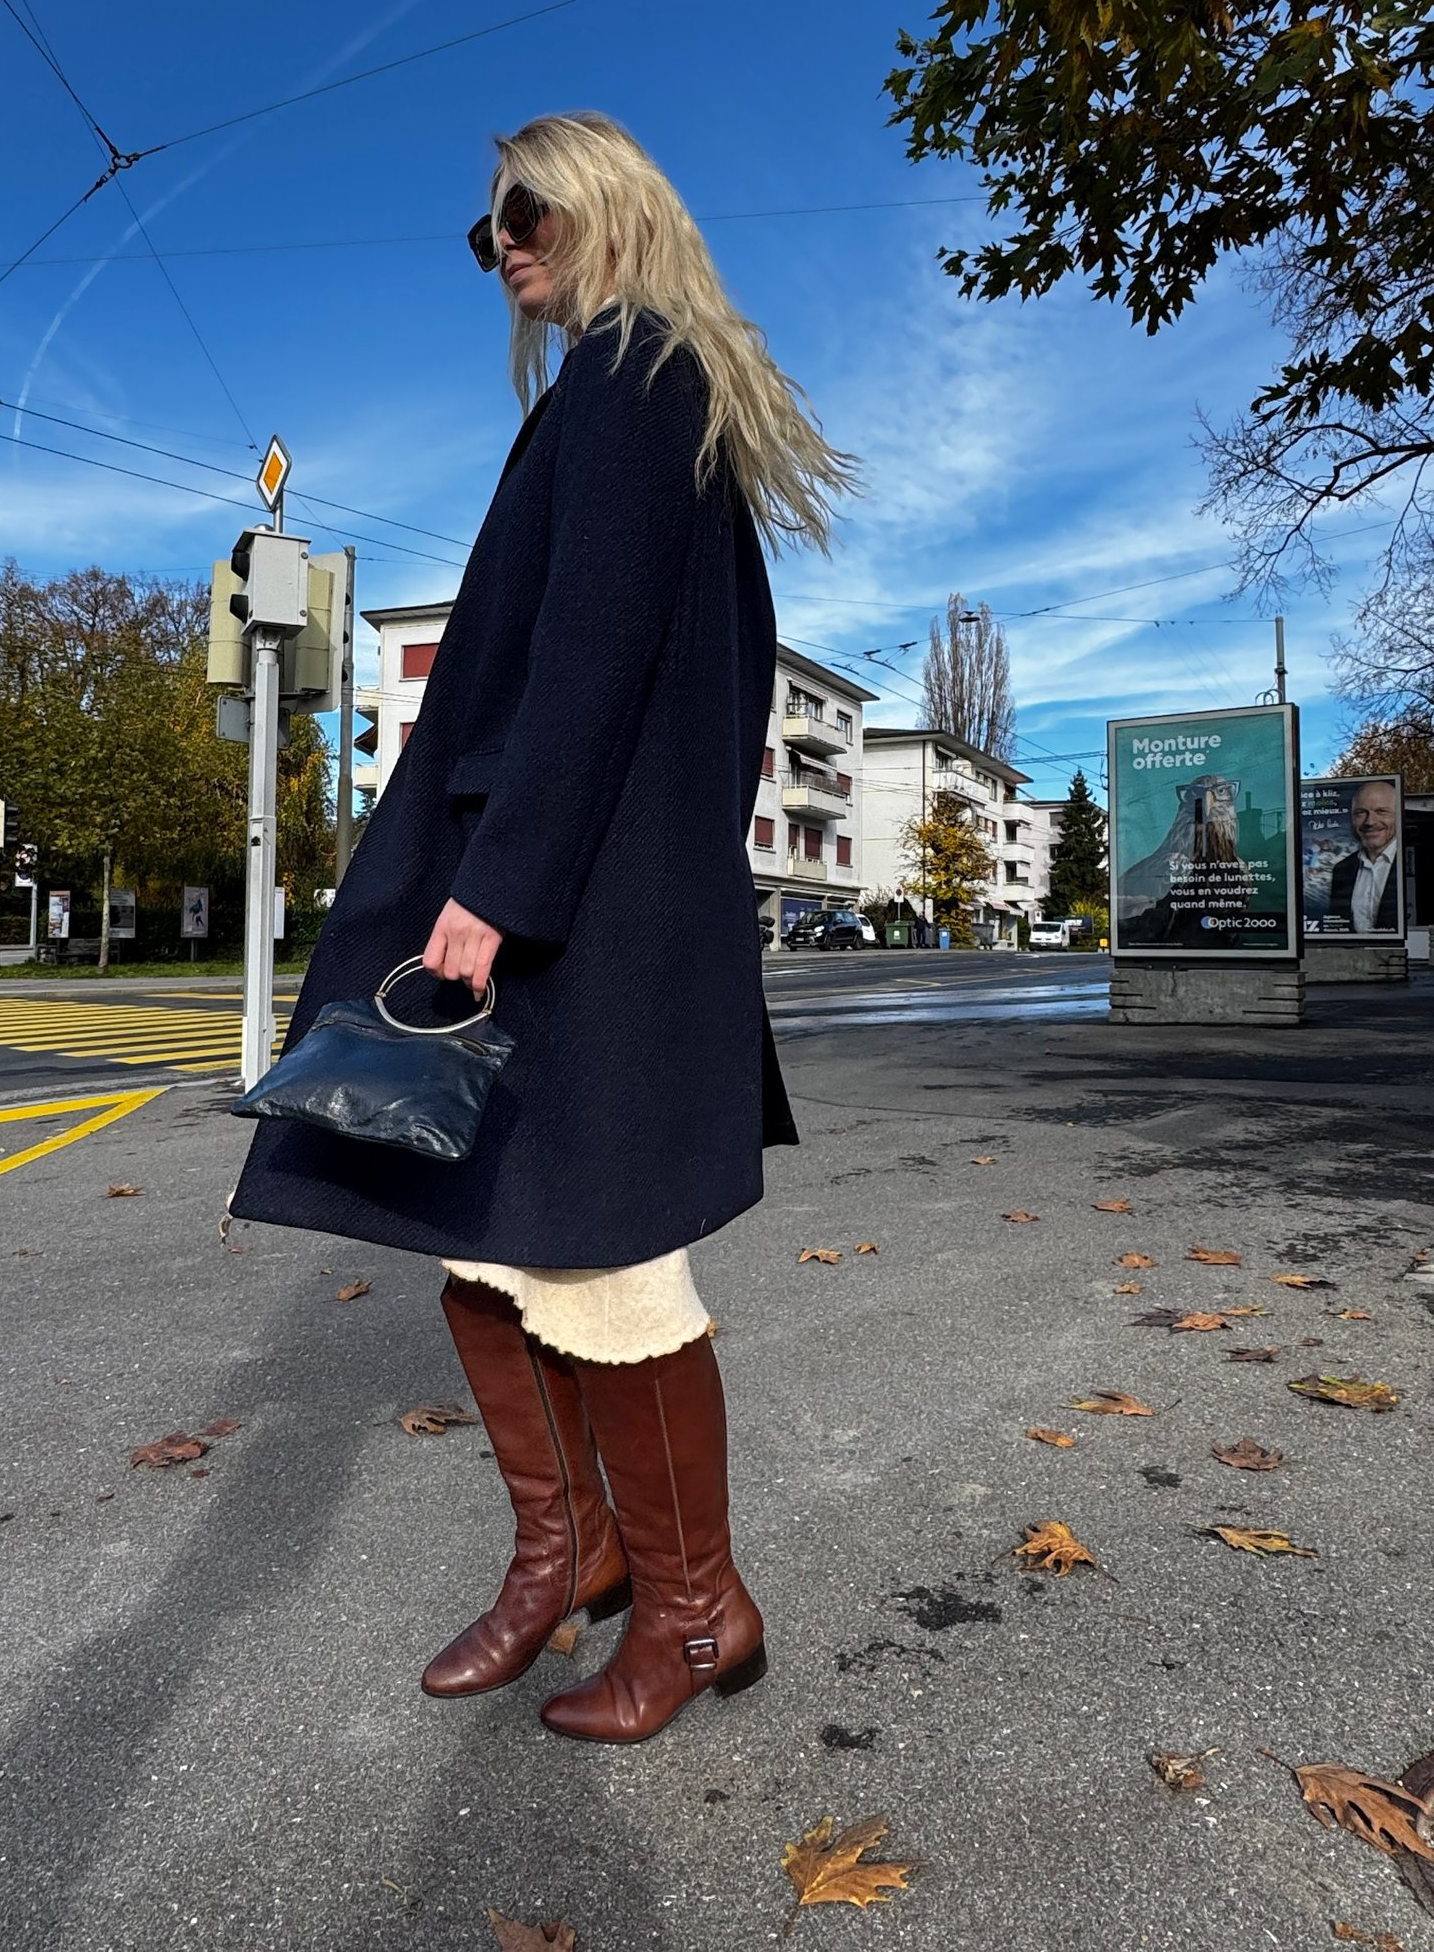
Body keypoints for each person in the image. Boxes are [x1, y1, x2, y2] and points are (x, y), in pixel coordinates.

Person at [231, 113, 857, 1744]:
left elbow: (590, 657)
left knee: (603, 1263)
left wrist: (502, 885)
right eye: (485, 231)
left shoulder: (638, 372)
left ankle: (697, 1608)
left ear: (607, 205)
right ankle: (569, 1550)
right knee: (483, 1240)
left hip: (581, 906)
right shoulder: (618, 384)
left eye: (525, 210)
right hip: (584, 888)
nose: (503, 244)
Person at [1328, 779, 1400, 933]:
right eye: (1361, 813)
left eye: (1381, 811)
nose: (1370, 821)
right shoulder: (1341, 870)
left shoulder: (1418, 864)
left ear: (1399, 815)